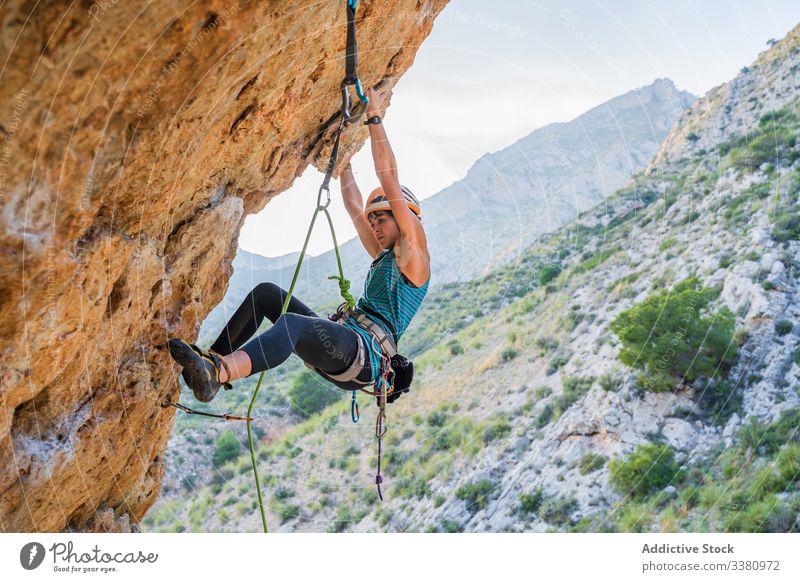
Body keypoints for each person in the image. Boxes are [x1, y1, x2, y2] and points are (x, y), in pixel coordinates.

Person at [167, 87, 431, 405]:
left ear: (406, 218)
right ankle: (210, 364)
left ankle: (221, 372)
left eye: (382, 220)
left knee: (292, 324)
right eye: (373, 222)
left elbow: (388, 176)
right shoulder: (384, 256)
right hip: (348, 345)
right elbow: (353, 207)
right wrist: (343, 159)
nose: (374, 227)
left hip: (363, 355)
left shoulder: (414, 257)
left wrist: (374, 115)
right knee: (265, 295)